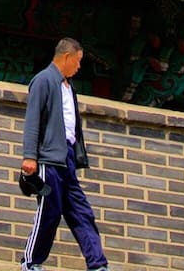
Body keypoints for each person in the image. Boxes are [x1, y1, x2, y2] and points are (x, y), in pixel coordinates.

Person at [18, 38, 108, 271]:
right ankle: (31, 263)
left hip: (66, 159)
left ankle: (97, 264)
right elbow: (33, 120)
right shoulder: (44, 80)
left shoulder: (68, 87)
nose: (79, 67)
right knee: (50, 210)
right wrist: (30, 156)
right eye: (77, 61)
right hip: (48, 160)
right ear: (67, 57)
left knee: (81, 211)